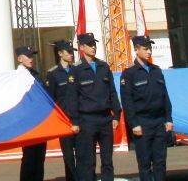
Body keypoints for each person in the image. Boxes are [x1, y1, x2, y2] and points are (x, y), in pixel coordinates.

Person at [67, 32, 121, 181]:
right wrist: (75, 121)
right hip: (86, 120)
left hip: (105, 119)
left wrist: (116, 114)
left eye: (94, 44)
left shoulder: (103, 66)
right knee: (87, 161)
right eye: (89, 45)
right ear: (82, 47)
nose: (93, 47)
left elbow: (112, 92)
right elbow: (72, 98)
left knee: (107, 160)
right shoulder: (76, 70)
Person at [120, 36, 172, 181]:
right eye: (145, 49)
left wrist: (168, 119)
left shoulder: (156, 70)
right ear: (136, 50)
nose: (149, 52)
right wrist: (134, 123)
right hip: (142, 123)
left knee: (160, 162)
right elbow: (127, 101)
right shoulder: (129, 73)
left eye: (150, 48)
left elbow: (165, 96)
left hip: (159, 121)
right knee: (144, 163)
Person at [45, 40, 78, 181]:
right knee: (69, 156)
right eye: (68, 52)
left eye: (72, 52)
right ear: (60, 54)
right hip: (64, 120)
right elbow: (51, 99)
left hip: (79, 117)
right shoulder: (53, 74)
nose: (71, 55)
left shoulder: (76, 70)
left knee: (83, 153)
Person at [16, 46, 46, 181]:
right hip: (27, 122)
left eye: (31, 56)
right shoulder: (16, 77)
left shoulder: (36, 74)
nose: (31, 59)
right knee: (29, 157)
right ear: (19, 59)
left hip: (40, 120)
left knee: (40, 157)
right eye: (27, 56)